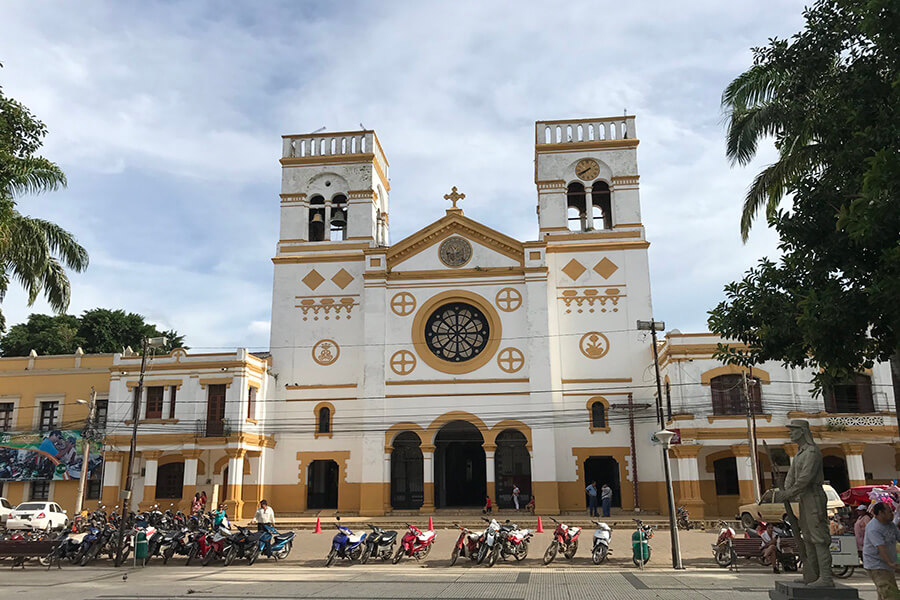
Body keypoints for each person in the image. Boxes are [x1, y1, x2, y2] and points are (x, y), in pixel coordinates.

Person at [863, 501, 900, 599]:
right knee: (891, 594)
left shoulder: (890, 525)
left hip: (887, 565)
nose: (892, 514)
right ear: (880, 513)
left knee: (885, 592)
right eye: (889, 511)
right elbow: (881, 548)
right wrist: (890, 563)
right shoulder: (873, 528)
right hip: (877, 565)